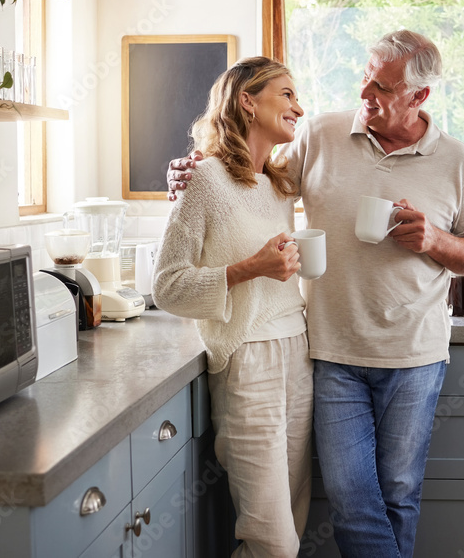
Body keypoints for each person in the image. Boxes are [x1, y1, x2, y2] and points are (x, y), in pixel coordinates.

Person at [167, 30, 464, 557]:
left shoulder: (456, 160)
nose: (365, 94)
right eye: (364, 77)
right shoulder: (320, 135)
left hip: (415, 354)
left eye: (382, 88)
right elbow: (253, 179)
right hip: (330, 351)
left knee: (399, 494)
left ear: (419, 97)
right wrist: (193, 169)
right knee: (348, 496)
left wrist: (433, 239)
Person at [152, 56, 313, 558]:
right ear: (247, 100)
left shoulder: (279, 185)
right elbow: (168, 286)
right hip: (247, 362)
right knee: (272, 543)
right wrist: (251, 268)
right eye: (286, 94)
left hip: (297, 355)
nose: (298, 107)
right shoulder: (204, 180)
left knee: (295, 519)